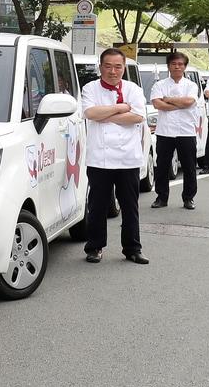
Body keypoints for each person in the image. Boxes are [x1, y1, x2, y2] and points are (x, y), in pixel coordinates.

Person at [80, 48, 149, 265]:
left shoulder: (134, 89)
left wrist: (106, 114)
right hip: (99, 157)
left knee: (130, 205)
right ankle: (94, 247)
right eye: (108, 66)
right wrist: (121, 108)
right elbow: (91, 113)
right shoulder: (90, 88)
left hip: (128, 157)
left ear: (124, 67)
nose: (113, 71)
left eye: (118, 66)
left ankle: (132, 248)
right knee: (97, 205)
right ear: (100, 67)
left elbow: (138, 117)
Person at [149, 51, 201, 210]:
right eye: (174, 64)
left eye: (180, 64)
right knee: (162, 166)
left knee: (189, 166)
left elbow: (190, 102)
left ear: (185, 67)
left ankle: (188, 198)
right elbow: (157, 104)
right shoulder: (160, 85)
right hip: (165, 131)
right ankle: (161, 197)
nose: (177, 67)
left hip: (186, 131)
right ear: (169, 66)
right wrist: (179, 104)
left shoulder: (191, 85)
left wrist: (169, 100)